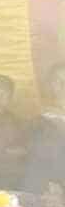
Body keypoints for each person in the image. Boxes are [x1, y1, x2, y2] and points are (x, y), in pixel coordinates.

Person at [24, 63, 65, 195]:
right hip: (48, 189)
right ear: (50, 86)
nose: (63, 85)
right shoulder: (39, 120)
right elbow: (36, 159)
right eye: (58, 81)